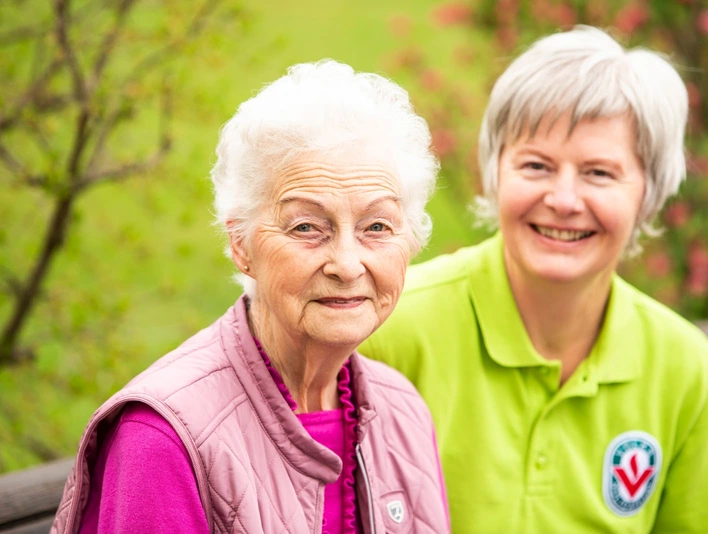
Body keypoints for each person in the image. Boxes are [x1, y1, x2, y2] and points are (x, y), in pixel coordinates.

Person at [360, 26, 708, 533]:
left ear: (649, 192)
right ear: (495, 172)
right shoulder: (392, 326)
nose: (564, 199)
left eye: (599, 173)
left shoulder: (684, 367)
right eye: (536, 165)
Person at [51, 60, 450, 534]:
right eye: (307, 227)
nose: (347, 263)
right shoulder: (161, 441)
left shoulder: (401, 408)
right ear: (241, 244)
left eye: (376, 227)